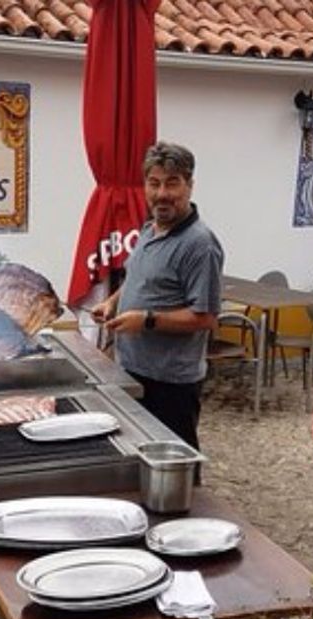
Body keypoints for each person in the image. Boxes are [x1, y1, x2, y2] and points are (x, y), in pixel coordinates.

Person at [91, 141, 224, 452]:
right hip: (132, 369)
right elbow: (140, 277)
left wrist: (147, 320)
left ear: (190, 186)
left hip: (170, 384)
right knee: (138, 457)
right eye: (154, 183)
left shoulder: (200, 245)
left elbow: (205, 317)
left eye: (172, 183)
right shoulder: (150, 229)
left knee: (173, 461)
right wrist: (112, 303)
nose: (162, 193)